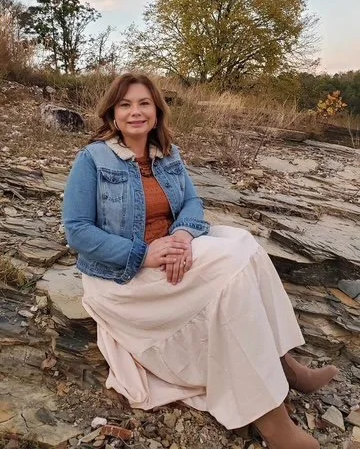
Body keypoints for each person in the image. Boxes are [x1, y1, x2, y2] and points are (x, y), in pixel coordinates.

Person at [63, 73, 338, 449]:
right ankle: (275, 426)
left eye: (144, 103)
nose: (135, 112)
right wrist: (142, 254)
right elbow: (77, 231)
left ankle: (285, 365)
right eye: (125, 105)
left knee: (246, 246)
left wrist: (181, 236)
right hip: (123, 276)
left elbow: (192, 203)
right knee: (231, 275)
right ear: (112, 115)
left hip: (172, 253)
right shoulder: (92, 160)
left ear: (156, 113)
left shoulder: (167, 155)